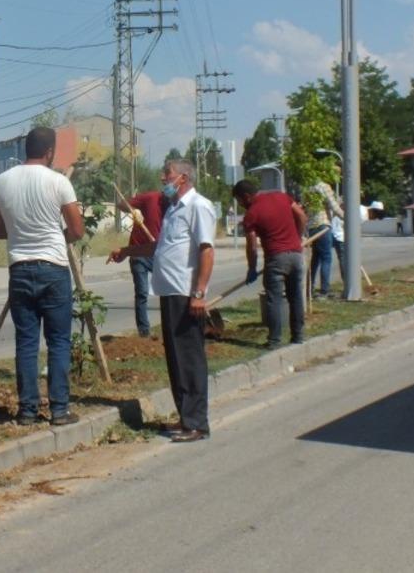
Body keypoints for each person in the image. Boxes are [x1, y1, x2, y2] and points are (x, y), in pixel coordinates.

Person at [110, 159, 215, 442]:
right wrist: (127, 251)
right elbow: (160, 246)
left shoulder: (198, 206)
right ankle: (185, 419)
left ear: (182, 178)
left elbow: (206, 250)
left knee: (190, 358)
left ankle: (197, 423)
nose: (162, 177)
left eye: (167, 173)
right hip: (170, 293)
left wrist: (199, 292)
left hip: (186, 293)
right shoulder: (172, 210)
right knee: (175, 358)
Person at [0, 126, 85, 426]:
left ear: (24, 149)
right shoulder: (58, 183)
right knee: (58, 341)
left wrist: (20, 233)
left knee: (26, 342)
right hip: (53, 269)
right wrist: (56, 236)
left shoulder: (1, 182)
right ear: (50, 152)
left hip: (19, 268)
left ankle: (27, 411)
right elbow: (77, 230)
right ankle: (59, 410)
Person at [232, 179, 308, 349]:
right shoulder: (282, 197)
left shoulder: (252, 214)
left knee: (273, 299)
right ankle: (298, 336)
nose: (241, 204)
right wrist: (297, 237)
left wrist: (251, 267)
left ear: (246, 196)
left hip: (276, 259)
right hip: (296, 256)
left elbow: (252, 245)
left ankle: (274, 340)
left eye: (239, 200)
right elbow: (302, 216)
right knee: (295, 296)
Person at [115, 188, 167, 337]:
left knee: (167, 291)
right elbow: (121, 204)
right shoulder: (151, 197)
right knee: (142, 292)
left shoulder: (176, 206)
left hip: (158, 252)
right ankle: (144, 332)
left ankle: (168, 327)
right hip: (138, 252)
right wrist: (133, 211)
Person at [306, 178, 344, 298]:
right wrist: (347, 217)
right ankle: (324, 290)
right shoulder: (324, 186)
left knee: (315, 259)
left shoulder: (308, 188)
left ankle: (308, 289)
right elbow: (334, 207)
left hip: (312, 228)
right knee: (326, 259)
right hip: (323, 225)